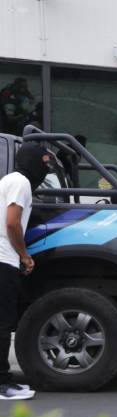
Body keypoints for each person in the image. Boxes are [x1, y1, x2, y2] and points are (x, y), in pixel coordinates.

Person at [0, 143, 50, 400]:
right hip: (3, 260)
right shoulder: (21, 183)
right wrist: (24, 255)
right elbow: (12, 222)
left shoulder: (10, 179)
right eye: (44, 163)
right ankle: (2, 384)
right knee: (3, 324)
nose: (46, 168)